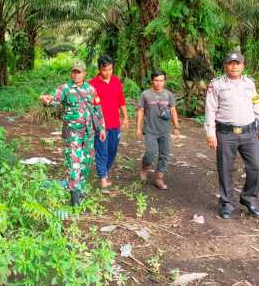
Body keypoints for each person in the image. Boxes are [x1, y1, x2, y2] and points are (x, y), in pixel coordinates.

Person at [205, 52, 259, 220]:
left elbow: (256, 105)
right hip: (226, 134)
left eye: (237, 63)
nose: (234, 66)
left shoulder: (249, 84)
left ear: (243, 66)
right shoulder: (216, 85)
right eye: (231, 63)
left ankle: (249, 198)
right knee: (225, 169)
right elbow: (210, 109)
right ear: (225, 66)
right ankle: (226, 203)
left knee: (256, 166)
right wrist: (210, 133)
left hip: (249, 133)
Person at [40, 60, 106, 205]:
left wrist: (101, 128)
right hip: (73, 132)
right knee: (74, 162)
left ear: (84, 74)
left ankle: (80, 189)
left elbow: (97, 109)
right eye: (74, 72)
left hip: (89, 132)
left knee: (86, 161)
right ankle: (74, 196)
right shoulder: (65, 89)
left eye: (79, 72)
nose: (76, 75)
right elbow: (54, 99)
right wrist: (47, 100)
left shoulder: (90, 89)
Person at [89, 55, 129, 191]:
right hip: (100, 126)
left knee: (112, 150)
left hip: (115, 124)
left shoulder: (116, 81)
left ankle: (104, 172)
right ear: (99, 69)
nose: (108, 73)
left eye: (110, 69)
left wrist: (126, 117)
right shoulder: (92, 84)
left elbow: (121, 100)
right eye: (105, 70)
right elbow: (90, 106)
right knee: (102, 151)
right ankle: (103, 180)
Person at [135, 70, 180, 190]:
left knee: (164, 155)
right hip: (150, 130)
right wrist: (138, 129)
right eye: (156, 80)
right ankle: (145, 167)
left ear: (164, 81)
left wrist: (176, 127)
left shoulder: (169, 95)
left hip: (165, 130)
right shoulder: (145, 94)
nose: (159, 83)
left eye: (161, 80)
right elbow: (140, 111)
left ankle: (159, 178)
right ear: (152, 81)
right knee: (151, 152)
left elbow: (173, 110)